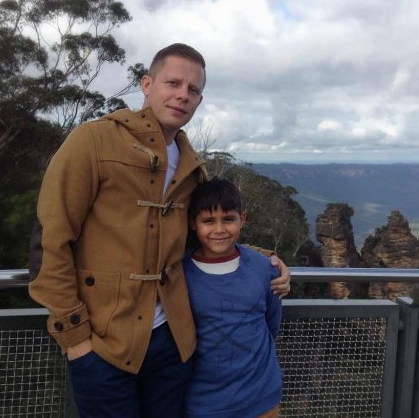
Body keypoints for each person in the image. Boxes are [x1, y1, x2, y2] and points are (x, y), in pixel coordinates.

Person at [28, 42, 290, 416]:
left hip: (172, 343)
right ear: (147, 84)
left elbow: (200, 234)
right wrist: (76, 340)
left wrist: (263, 259)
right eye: (173, 83)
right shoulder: (93, 142)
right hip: (104, 342)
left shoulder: (191, 167)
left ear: (199, 101)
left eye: (193, 90)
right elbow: (50, 240)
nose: (183, 95)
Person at [183, 179, 282, 418]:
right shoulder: (180, 274)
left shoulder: (263, 269)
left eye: (228, 219)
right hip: (203, 403)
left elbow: (271, 324)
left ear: (242, 219)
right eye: (208, 221)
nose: (219, 229)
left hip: (262, 399)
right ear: (193, 223)